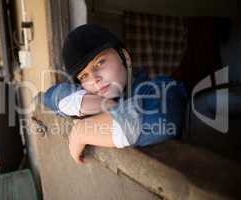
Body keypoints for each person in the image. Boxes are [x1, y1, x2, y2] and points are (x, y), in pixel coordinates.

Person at [42, 24, 187, 164]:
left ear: (125, 57)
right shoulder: (94, 96)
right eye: (83, 76)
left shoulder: (159, 88)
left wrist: (82, 130)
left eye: (100, 63)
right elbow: (49, 97)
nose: (94, 79)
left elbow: (159, 121)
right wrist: (88, 102)